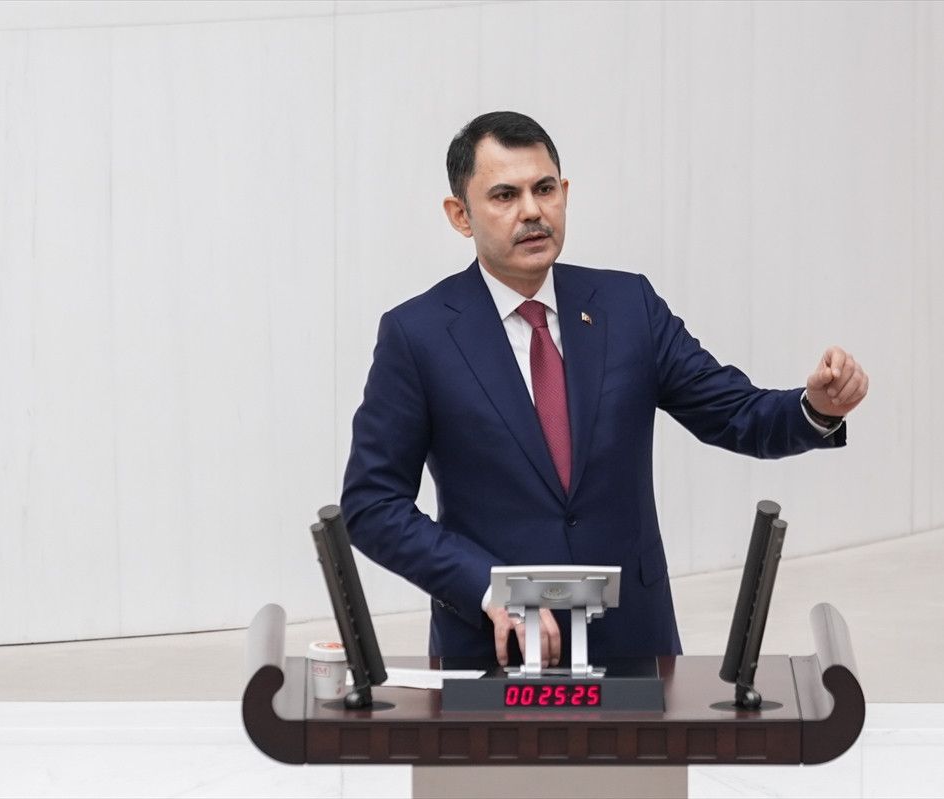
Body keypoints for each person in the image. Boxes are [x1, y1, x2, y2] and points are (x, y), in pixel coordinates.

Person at [341, 111, 868, 669]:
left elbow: (735, 413)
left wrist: (815, 408)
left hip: (633, 643)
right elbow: (372, 504)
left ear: (565, 193)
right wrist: (486, 587)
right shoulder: (418, 335)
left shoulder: (627, 307)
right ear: (460, 215)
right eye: (505, 195)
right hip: (494, 651)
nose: (531, 211)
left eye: (545, 189)